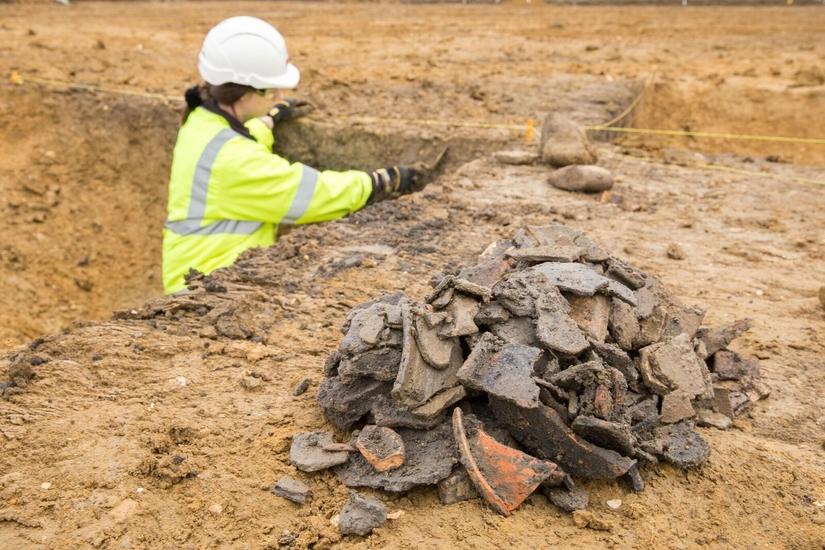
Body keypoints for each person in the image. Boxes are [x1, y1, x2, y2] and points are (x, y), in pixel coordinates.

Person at [162, 16, 424, 294]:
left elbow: (241, 143)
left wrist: (268, 121)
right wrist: (376, 182)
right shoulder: (233, 161)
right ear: (245, 93)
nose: (279, 96)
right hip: (205, 288)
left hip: (195, 274)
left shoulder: (201, 122)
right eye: (272, 91)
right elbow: (310, 194)